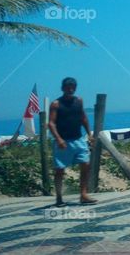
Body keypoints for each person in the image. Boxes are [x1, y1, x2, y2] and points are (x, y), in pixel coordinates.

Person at [47, 77, 96, 207]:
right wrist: (58, 139)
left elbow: (83, 118)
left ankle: (83, 195)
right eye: (68, 87)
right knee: (59, 170)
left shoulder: (79, 101)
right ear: (62, 88)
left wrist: (89, 134)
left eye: (73, 87)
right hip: (63, 141)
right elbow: (51, 123)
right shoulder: (56, 104)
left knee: (85, 164)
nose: (70, 89)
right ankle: (59, 197)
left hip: (78, 139)